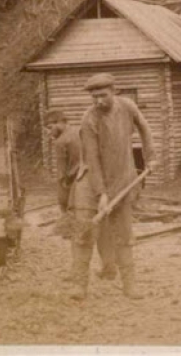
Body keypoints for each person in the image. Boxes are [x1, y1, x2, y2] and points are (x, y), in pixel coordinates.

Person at [73, 73, 159, 301]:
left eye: (102, 95)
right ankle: (79, 286)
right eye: (94, 97)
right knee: (83, 234)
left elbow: (145, 128)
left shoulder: (128, 107)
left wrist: (150, 157)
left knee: (124, 234)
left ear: (114, 91)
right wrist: (101, 194)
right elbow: (92, 159)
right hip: (90, 183)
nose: (98, 101)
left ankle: (130, 286)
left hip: (122, 179)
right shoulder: (89, 119)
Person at [46, 110, 116, 284]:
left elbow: (62, 176)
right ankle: (109, 268)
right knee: (103, 229)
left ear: (60, 122)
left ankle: (76, 271)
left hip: (76, 189)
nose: (49, 132)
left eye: (50, 127)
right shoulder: (81, 132)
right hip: (98, 185)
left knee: (77, 231)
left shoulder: (61, 142)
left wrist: (62, 201)